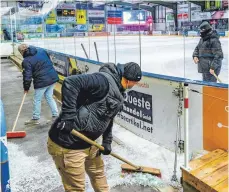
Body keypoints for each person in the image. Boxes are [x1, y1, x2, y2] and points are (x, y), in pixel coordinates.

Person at [47, 62, 142, 192]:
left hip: (90, 144)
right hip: (69, 146)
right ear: (127, 79)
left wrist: (107, 141)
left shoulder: (118, 89)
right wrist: (68, 117)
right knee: (76, 188)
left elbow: (108, 116)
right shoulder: (102, 81)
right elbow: (70, 83)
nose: (133, 86)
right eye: (134, 83)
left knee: (98, 175)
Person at [18, 44, 59, 125]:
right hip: (52, 77)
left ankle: (35, 118)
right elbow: (49, 61)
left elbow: (27, 76)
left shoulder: (26, 61)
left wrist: (26, 88)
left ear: (22, 51)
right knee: (49, 96)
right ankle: (56, 115)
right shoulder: (41, 50)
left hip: (42, 81)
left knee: (37, 99)